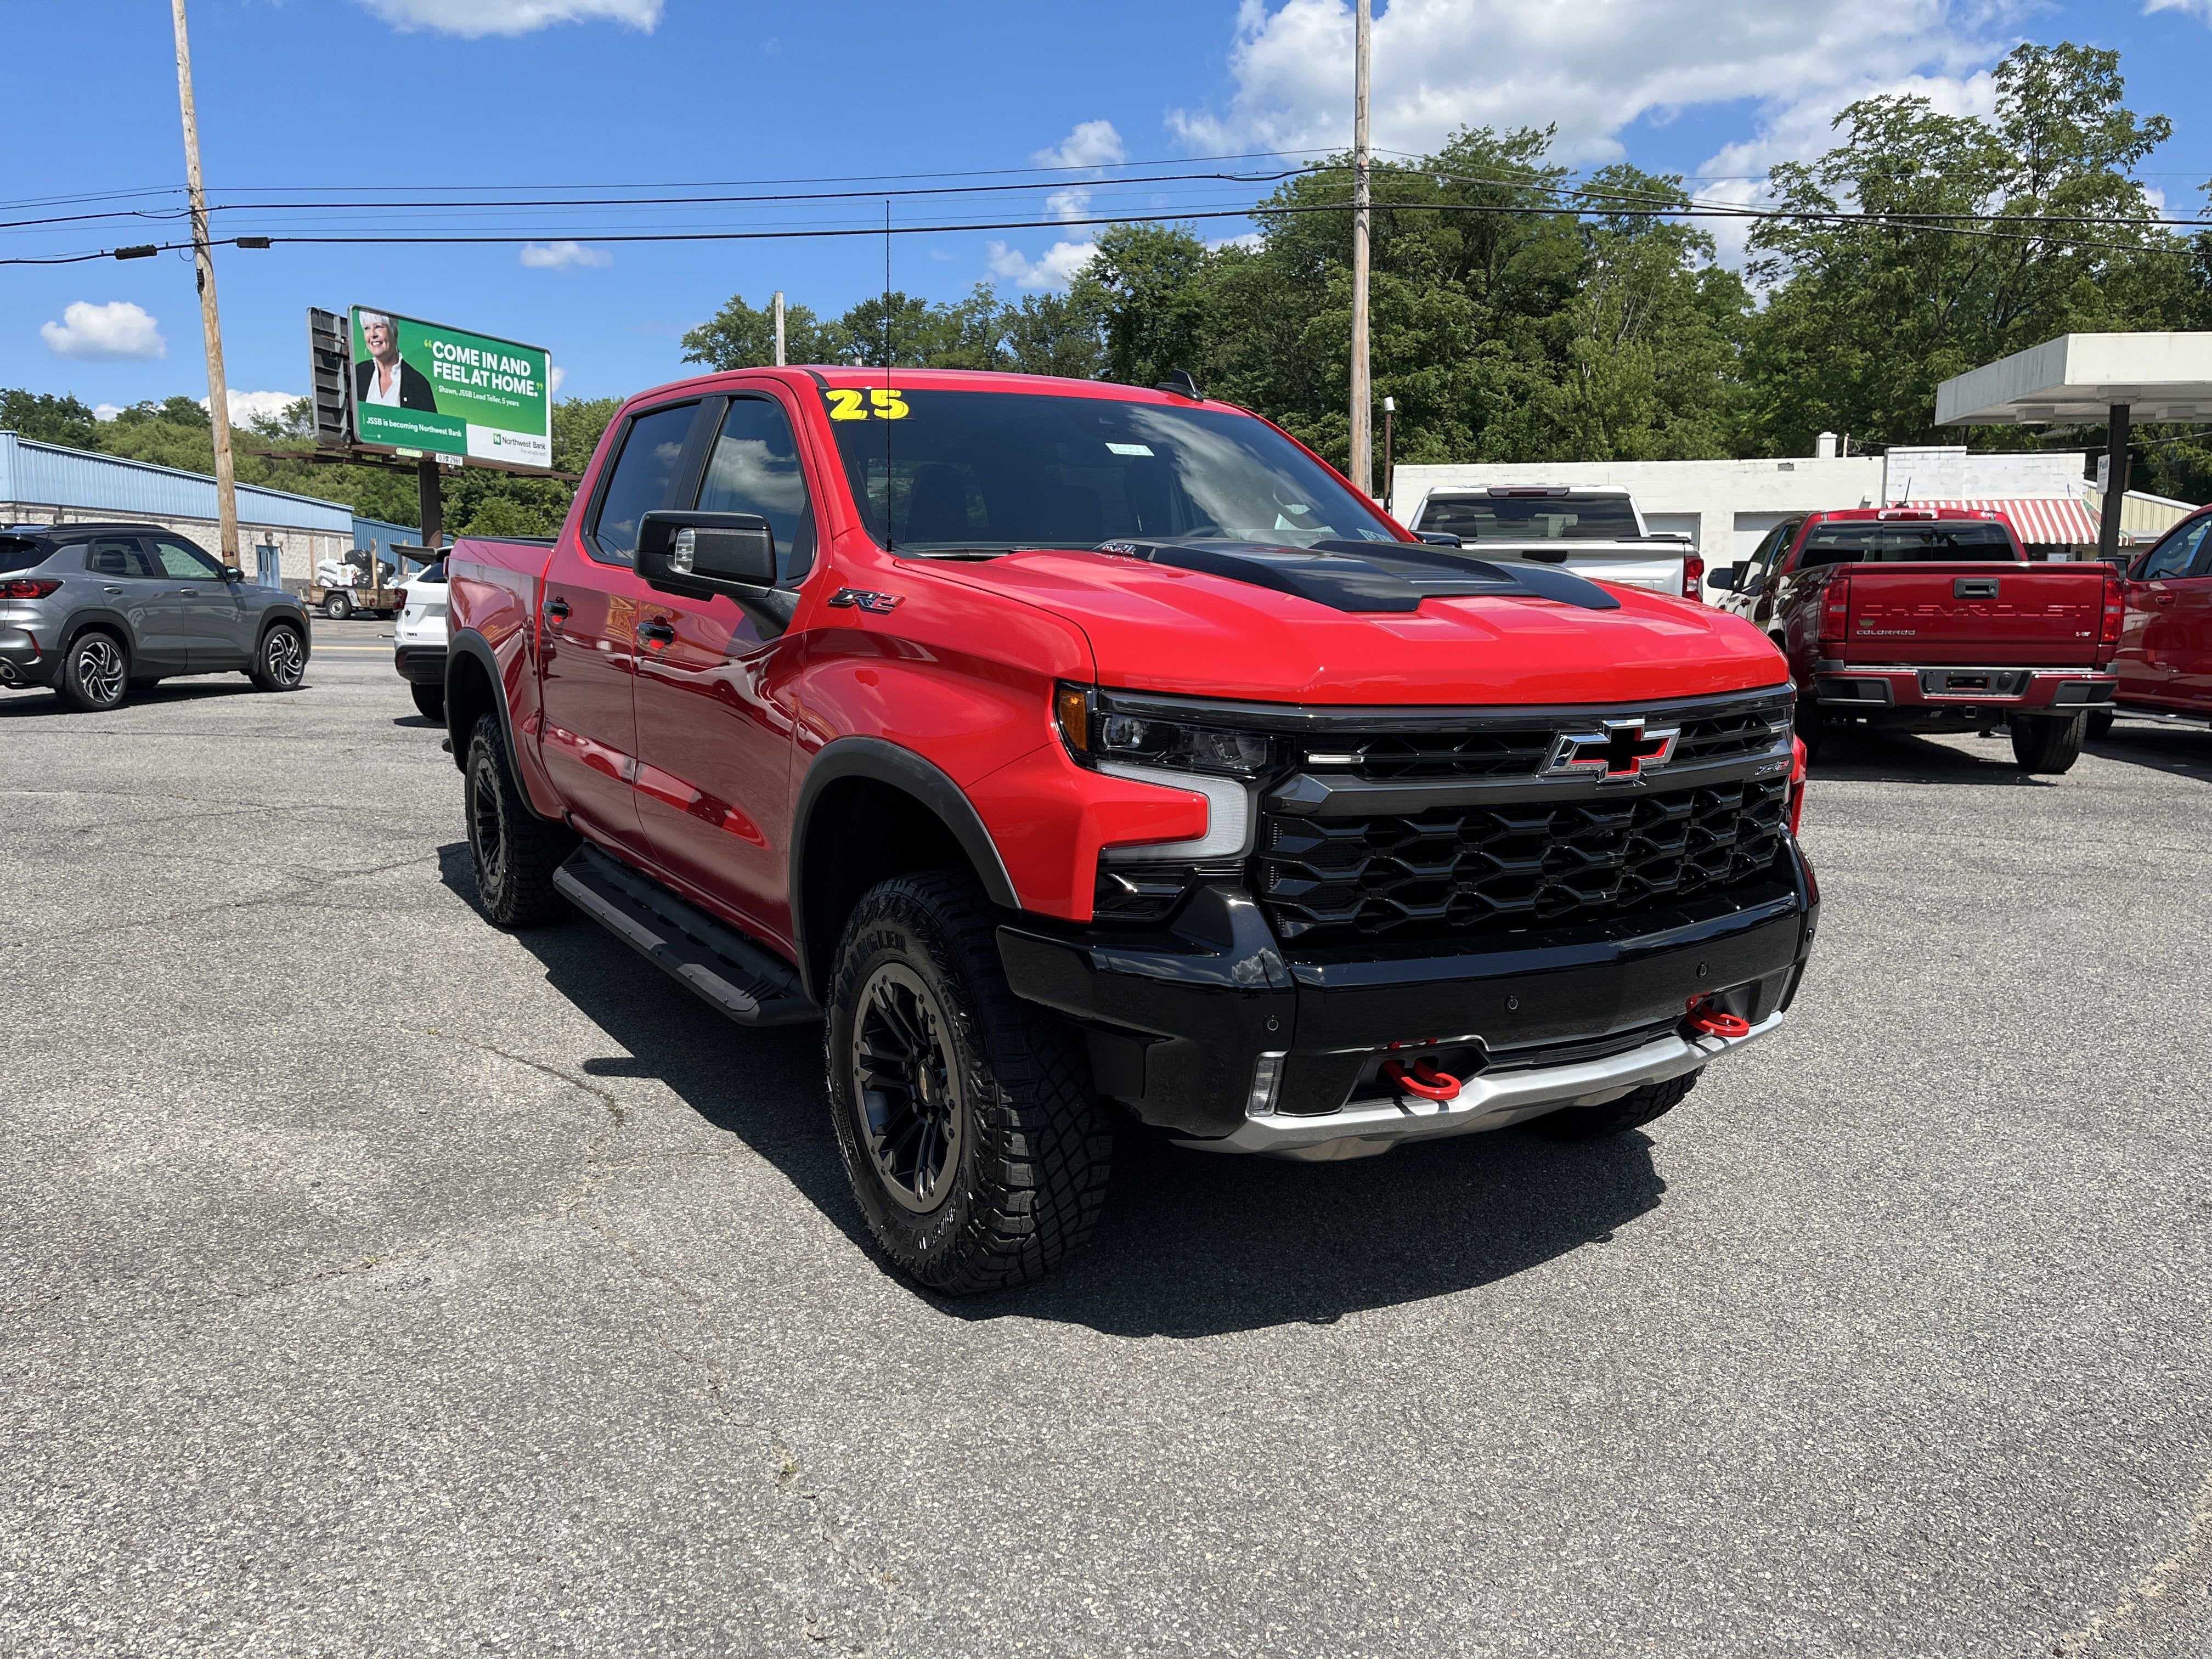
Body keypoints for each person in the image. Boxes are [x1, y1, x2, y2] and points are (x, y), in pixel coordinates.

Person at [354, 312, 437, 411]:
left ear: (395, 332)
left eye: (378, 327)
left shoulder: (419, 384)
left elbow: (430, 425)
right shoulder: (357, 374)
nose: (373, 334)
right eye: (367, 328)